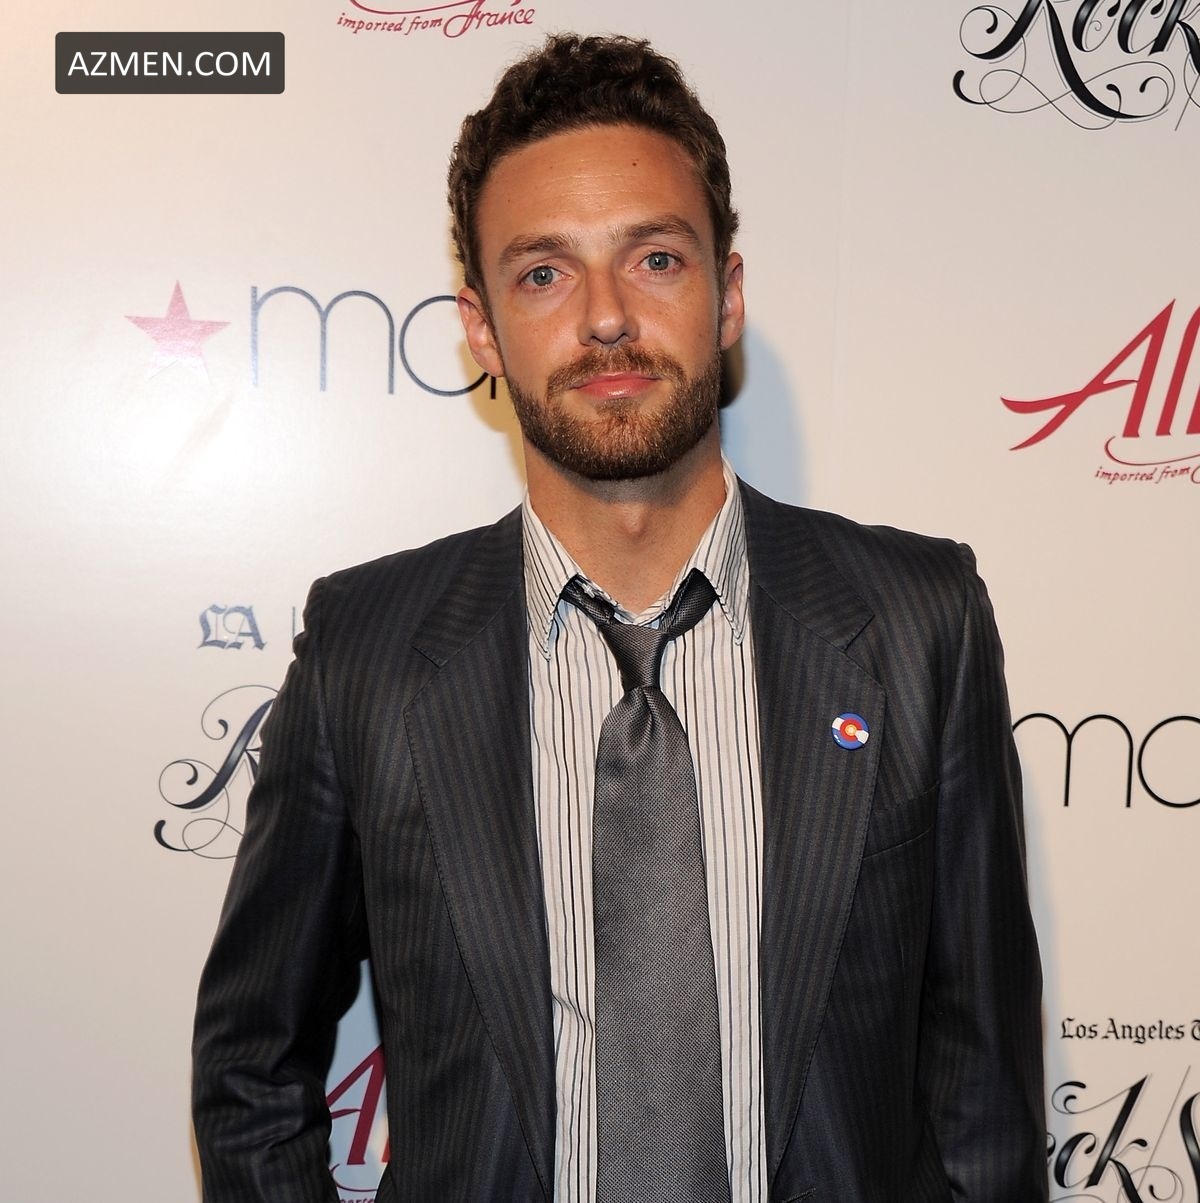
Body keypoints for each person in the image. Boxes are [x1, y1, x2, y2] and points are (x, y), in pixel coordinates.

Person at [192, 33, 1047, 1203]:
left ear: (726, 295)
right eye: (544, 273)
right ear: (482, 328)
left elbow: (983, 1096)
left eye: (654, 258)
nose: (605, 317)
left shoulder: (916, 623)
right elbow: (251, 1069)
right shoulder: (369, 653)